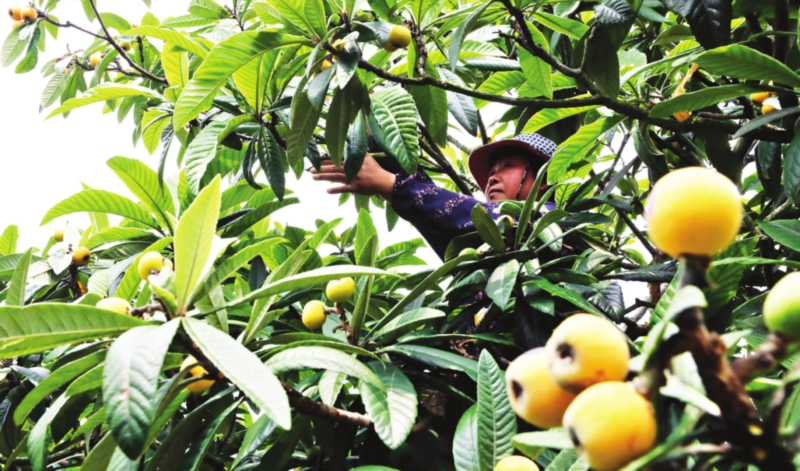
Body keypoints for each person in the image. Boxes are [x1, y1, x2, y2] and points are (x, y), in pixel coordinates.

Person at [311, 133, 558, 260]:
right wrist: (379, 129)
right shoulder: (483, 246)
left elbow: (465, 215)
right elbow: (444, 223)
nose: (492, 179)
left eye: (506, 167)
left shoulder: (559, 222)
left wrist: (391, 185)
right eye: (491, 172)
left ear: (545, 180)